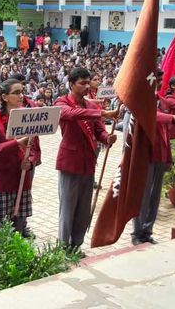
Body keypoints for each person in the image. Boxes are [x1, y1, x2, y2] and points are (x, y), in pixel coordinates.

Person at [55, 68, 118, 253]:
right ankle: (63, 247)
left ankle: (76, 244)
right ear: (71, 84)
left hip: (88, 161)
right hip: (70, 162)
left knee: (83, 208)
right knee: (67, 208)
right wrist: (103, 114)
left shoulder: (91, 106)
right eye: (82, 83)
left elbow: (99, 130)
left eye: (88, 82)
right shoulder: (62, 102)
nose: (86, 86)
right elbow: (72, 114)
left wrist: (107, 138)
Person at [132, 71, 175, 245]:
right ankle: (137, 233)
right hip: (146, 154)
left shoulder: (161, 99)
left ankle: (147, 232)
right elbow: (153, 117)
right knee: (143, 196)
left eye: (160, 80)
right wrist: (174, 118)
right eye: (156, 80)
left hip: (161, 152)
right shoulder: (141, 100)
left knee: (154, 196)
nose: (159, 83)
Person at [0, 79, 41, 237]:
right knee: (0, 231)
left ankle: (15, 261)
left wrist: (30, 161)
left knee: (19, 229)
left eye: (22, 91)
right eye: (16, 93)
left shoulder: (28, 115)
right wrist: (16, 143)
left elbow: (33, 146)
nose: (21, 96)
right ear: (4, 97)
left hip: (22, 180)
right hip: (3, 181)